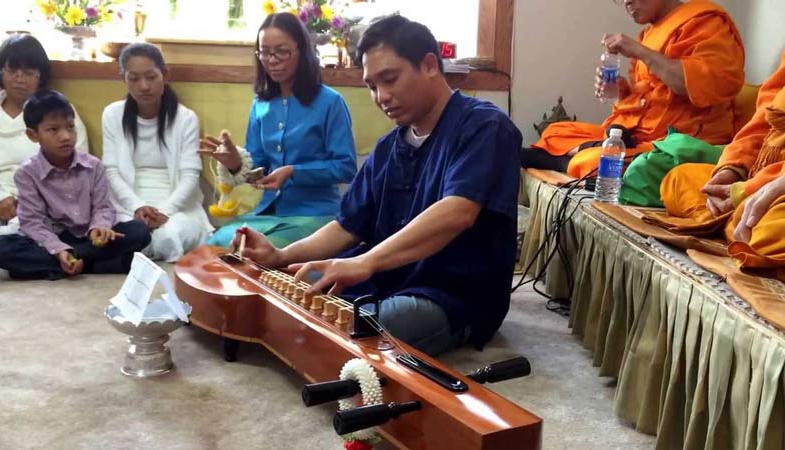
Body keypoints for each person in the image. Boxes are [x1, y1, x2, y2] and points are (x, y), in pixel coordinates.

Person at [230, 16, 522, 356]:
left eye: (390, 79)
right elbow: (346, 226)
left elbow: (457, 212)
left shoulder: (486, 126)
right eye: (371, 86)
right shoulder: (388, 148)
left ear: (429, 65)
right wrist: (281, 256)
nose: (381, 97)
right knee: (285, 288)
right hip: (384, 278)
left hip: (450, 294)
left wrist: (366, 262)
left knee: (356, 329)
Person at [521, 0, 744, 179]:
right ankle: (589, 149)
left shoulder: (706, 20)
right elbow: (645, 97)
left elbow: (702, 84)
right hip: (637, 134)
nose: (627, 2)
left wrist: (639, 51)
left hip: (681, 141)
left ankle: (563, 159)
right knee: (556, 131)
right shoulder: (649, 33)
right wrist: (621, 90)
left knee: (598, 164)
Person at [199, 12, 357, 249]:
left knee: (258, 252)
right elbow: (257, 167)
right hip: (267, 211)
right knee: (217, 243)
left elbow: (345, 167)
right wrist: (234, 164)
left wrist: (293, 171)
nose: (272, 60)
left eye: (281, 51)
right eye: (264, 52)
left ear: (302, 51)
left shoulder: (330, 102)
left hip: (315, 213)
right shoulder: (260, 104)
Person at [0, 90, 150, 280]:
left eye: (70, 127)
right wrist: (58, 249)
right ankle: (96, 264)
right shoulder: (27, 174)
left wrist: (100, 227)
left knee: (139, 231)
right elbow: (33, 222)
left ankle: (61, 265)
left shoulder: (93, 165)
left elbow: (103, 207)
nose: (66, 136)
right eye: (53, 130)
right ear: (33, 135)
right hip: (50, 240)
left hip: (89, 238)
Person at [649, 51, 785, 271]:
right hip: (763, 174)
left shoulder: (705, 23)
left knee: (770, 234)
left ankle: (734, 221)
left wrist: (749, 189)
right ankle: (735, 220)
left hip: (778, 184)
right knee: (677, 179)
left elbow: (704, 87)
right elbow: (764, 120)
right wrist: (733, 169)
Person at [102, 43, 211, 262]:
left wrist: (165, 212)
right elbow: (111, 171)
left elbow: (190, 176)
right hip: (128, 206)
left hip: (177, 209)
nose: (144, 86)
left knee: (167, 237)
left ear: (165, 75)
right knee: (123, 233)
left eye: (151, 77)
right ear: (124, 79)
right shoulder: (112, 115)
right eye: (134, 78)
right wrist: (137, 207)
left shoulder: (185, 118)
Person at [0, 34, 89, 252]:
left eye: (29, 72)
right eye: (12, 71)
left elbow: (75, 165)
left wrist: (31, 203)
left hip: (44, 203)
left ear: (41, 76)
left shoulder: (61, 113)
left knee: (0, 243)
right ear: (0, 73)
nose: (19, 79)